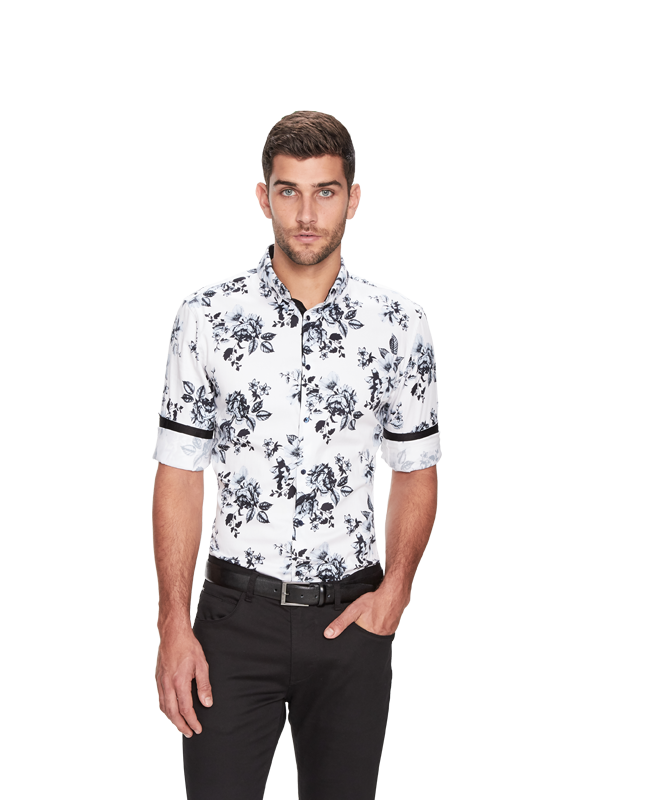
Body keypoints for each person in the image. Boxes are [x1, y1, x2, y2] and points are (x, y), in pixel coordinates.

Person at [153, 110, 440, 800]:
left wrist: (396, 591)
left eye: (325, 191)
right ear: (264, 197)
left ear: (353, 198)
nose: (307, 215)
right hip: (232, 622)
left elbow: (416, 469)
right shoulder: (208, 318)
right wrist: (171, 624)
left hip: (351, 621)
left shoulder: (398, 327)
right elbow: (180, 472)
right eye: (289, 191)